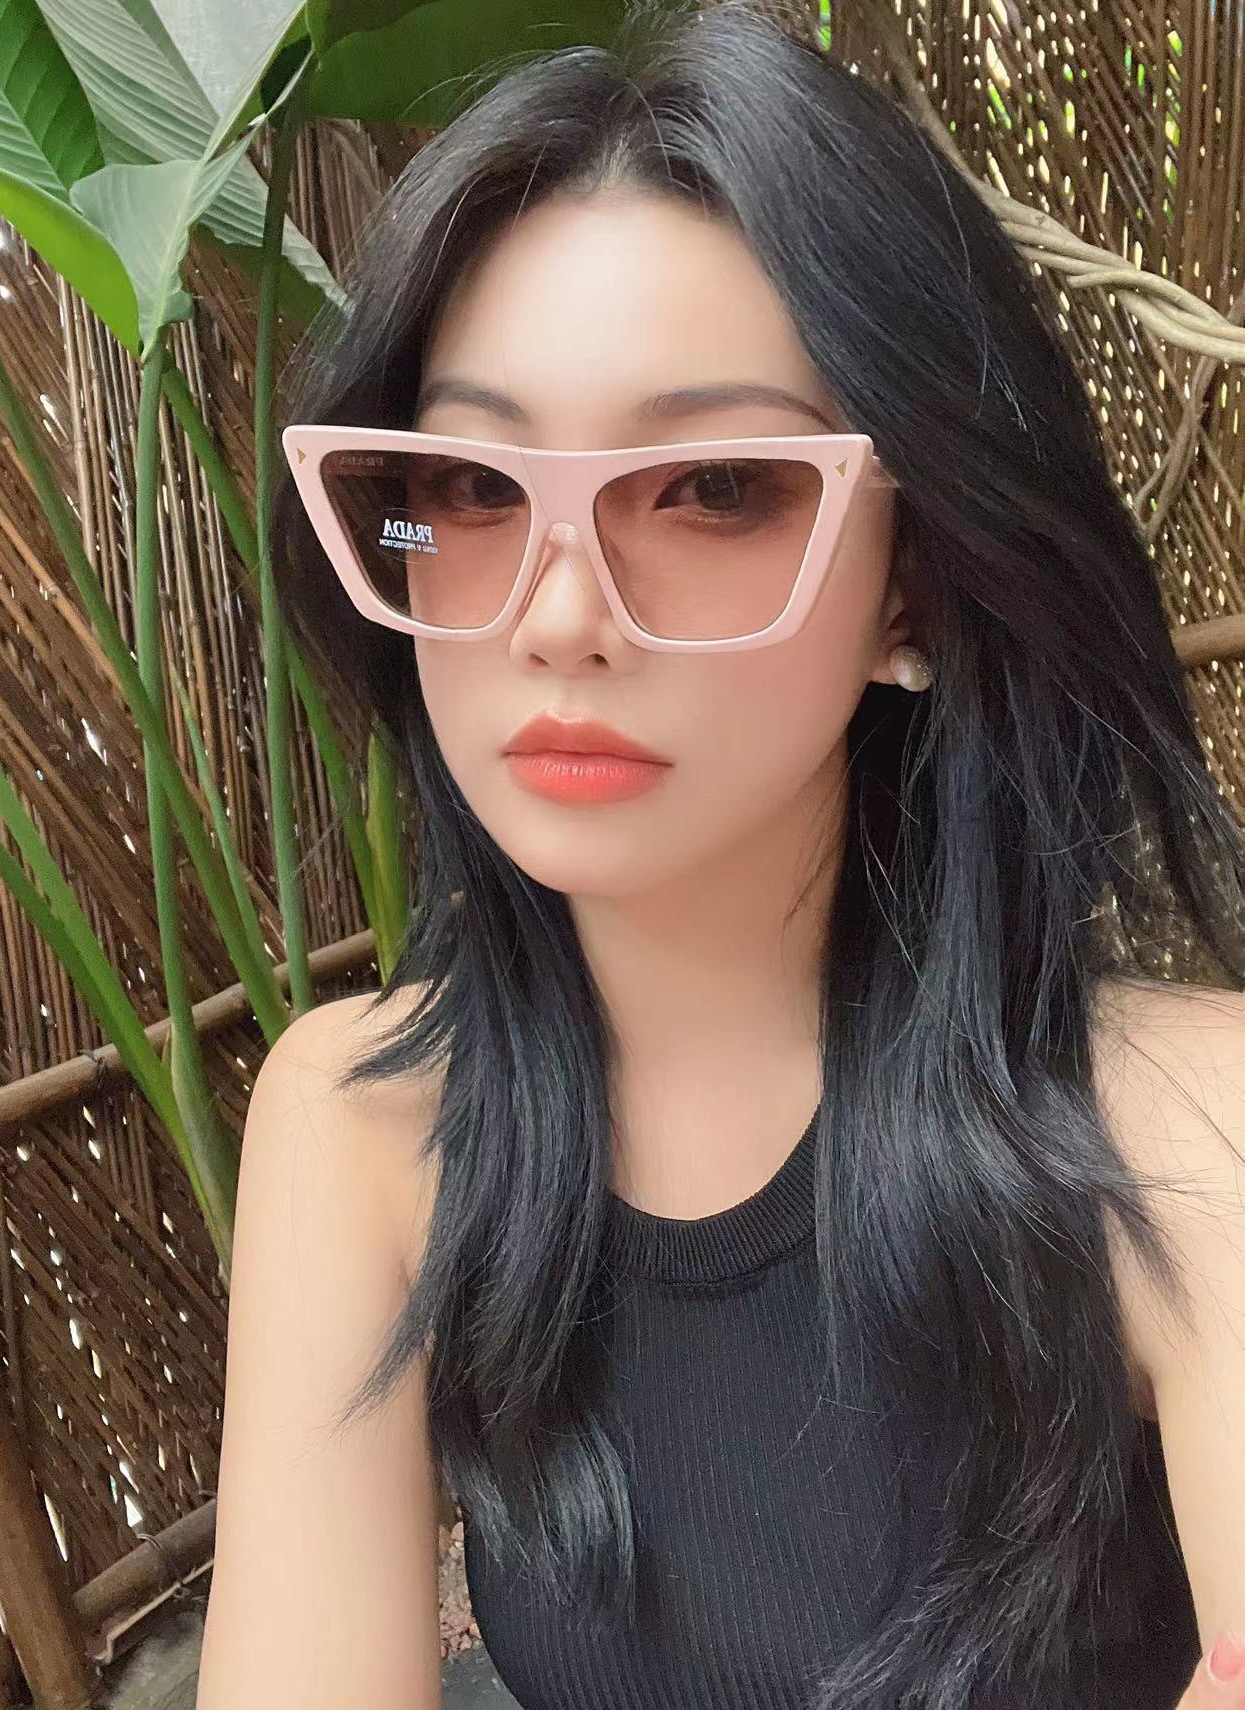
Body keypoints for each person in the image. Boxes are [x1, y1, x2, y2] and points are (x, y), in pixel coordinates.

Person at [194, 4, 1245, 1706]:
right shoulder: (363, 1128)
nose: (556, 616)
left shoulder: (1187, 1135)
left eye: (713, 488)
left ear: (913, 585)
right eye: (470, 487)